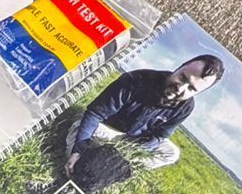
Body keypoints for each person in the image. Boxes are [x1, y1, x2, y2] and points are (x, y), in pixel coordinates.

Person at [60, 56, 224, 192]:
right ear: (180, 67)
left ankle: (119, 168)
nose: (181, 89)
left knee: (171, 153)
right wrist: (78, 151)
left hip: (130, 142)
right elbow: (95, 114)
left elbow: (160, 136)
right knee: (79, 167)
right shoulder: (135, 80)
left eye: (191, 89)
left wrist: (133, 152)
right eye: (182, 78)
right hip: (104, 129)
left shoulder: (186, 107)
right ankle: (89, 158)